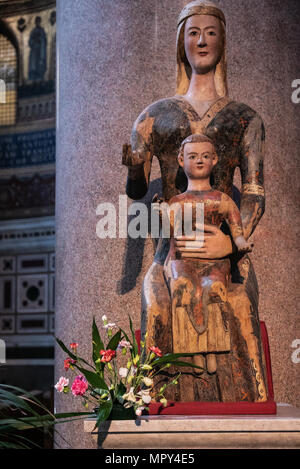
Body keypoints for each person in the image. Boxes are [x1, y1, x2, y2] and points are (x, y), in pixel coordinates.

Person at [122, 0, 267, 402]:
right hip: (172, 252)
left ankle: (247, 408)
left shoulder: (246, 118)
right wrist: (136, 169)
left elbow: (254, 193)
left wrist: (232, 241)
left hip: (226, 256)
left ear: (223, 41)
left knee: (239, 305)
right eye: (193, 32)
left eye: (211, 32)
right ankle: (151, 403)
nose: (201, 40)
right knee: (156, 305)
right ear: (180, 41)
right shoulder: (154, 115)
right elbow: (137, 192)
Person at [161, 133, 252, 375]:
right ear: (181, 160)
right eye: (193, 156)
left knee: (213, 289)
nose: (199, 161)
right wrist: (162, 214)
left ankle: (212, 349)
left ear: (214, 160)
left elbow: (236, 227)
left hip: (214, 261)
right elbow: (169, 234)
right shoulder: (177, 201)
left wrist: (239, 241)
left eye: (204, 156)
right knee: (183, 287)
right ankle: (190, 350)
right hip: (182, 260)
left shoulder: (221, 199)